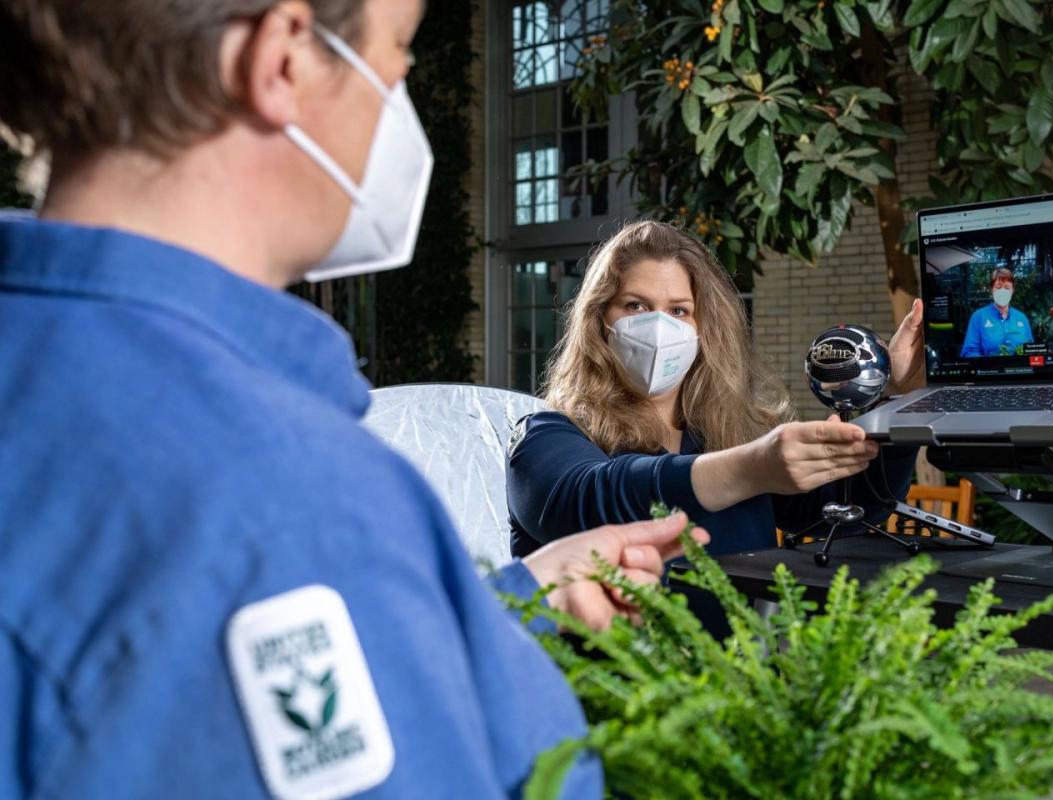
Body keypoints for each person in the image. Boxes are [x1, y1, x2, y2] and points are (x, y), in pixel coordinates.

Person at [0, 1, 711, 797]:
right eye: (398, 54)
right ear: (283, 62)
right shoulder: (283, 491)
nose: (397, 99)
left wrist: (494, 611)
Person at [507, 221, 925, 559]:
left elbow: (842, 514)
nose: (658, 326)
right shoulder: (544, 436)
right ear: (599, 321)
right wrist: (751, 467)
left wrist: (897, 403)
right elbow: (590, 499)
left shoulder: (729, 435)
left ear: (704, 328)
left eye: (679, 310)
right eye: (635, 305)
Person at [959, 267, 1033, 357]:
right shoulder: (979, 317)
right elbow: (969, 352)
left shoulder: (1022, 318)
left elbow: (1031, 350)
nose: (1003, 291)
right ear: (991, 289)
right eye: (998, 287)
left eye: (1007, 287)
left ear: (1013, 290)